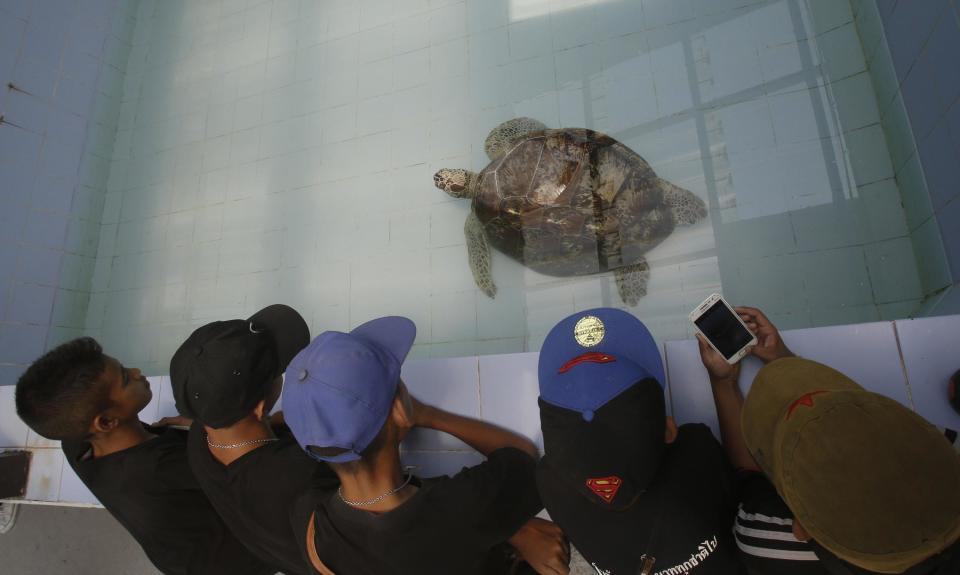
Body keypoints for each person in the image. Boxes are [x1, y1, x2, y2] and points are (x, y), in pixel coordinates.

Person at [282, 315, 569, 575]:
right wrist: (429, 415)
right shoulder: (461, 506)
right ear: (400, 410)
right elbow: (520, 459)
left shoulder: (308, 517)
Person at [698, 306, 960, 575]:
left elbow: (750, 477)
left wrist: (724, 382)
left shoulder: (769, 543)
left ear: (802, 529)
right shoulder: (936, 449)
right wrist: (782, 359)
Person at [14, 337, 272, 575]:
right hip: (236, 561)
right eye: (126, 379)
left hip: (180, 557)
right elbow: (250, 464)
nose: (137, 372)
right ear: (105, 422)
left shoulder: (76, 444)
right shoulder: (163, 467)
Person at [535, 308, 746, 575]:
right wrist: (723, 381)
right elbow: (747, 482)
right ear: (669, 430)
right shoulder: (695, 453)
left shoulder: (550, 482)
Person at [169, 304, 339, 575]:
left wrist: (271, 423)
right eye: (277, 373)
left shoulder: (200, 442)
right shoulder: (301, 473)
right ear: (260, 407)